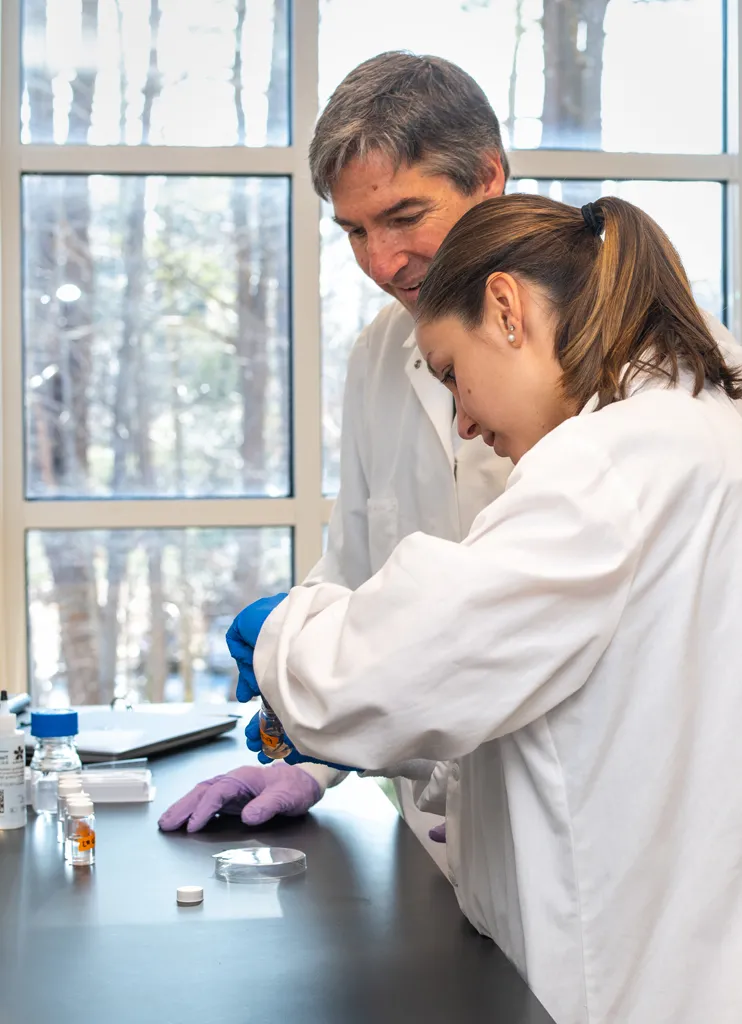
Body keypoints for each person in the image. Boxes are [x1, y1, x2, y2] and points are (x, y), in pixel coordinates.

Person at [158, 53, 739, 853]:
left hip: (601, 840)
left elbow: (449, 640)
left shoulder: (652, 400)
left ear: (488, 177)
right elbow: (363, 580)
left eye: (403, 217)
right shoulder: (379, 353)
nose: (380, 262)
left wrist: (306, 666)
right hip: (446, 843)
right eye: (354, 231)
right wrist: (313, 755)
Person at [222, 194, 742, 1024]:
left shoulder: (603, 469)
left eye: (453, 372)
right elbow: (590, 707)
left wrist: (284, 637)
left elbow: (380, 677)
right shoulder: (698, 423)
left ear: (505, 308)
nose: (462, 420)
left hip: (609, 976)